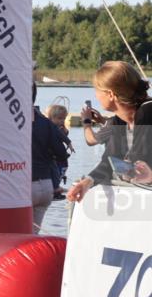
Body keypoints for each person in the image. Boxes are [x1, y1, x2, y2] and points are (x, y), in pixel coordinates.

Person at [68, 61, 152, 201]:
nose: (96, 96)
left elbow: (140, 158)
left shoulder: (147, 111)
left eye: (96, 90)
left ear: (111, 94)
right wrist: (87, 183)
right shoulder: (120, 120)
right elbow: (109, 161)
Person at [30, 86, 70, 229]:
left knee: (15, 236)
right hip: (46, 185)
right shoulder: (46, 124)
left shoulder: (14, 122)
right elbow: (61, 154)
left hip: (25, 186)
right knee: (33, 233)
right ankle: (56, 187)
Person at [44, 103, 73, 198]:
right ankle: (55, 188)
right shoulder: (51, 128)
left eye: (64, 119)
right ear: (51, 118)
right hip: (54, 156)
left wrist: (64, 129)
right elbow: (63, 137)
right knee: (56, 172)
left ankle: (56, 187)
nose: (62, 121)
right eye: (60, 118)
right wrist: (69, 143)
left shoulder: (59, 128)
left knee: (60, 171)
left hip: (60, 156)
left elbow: (65, 134)